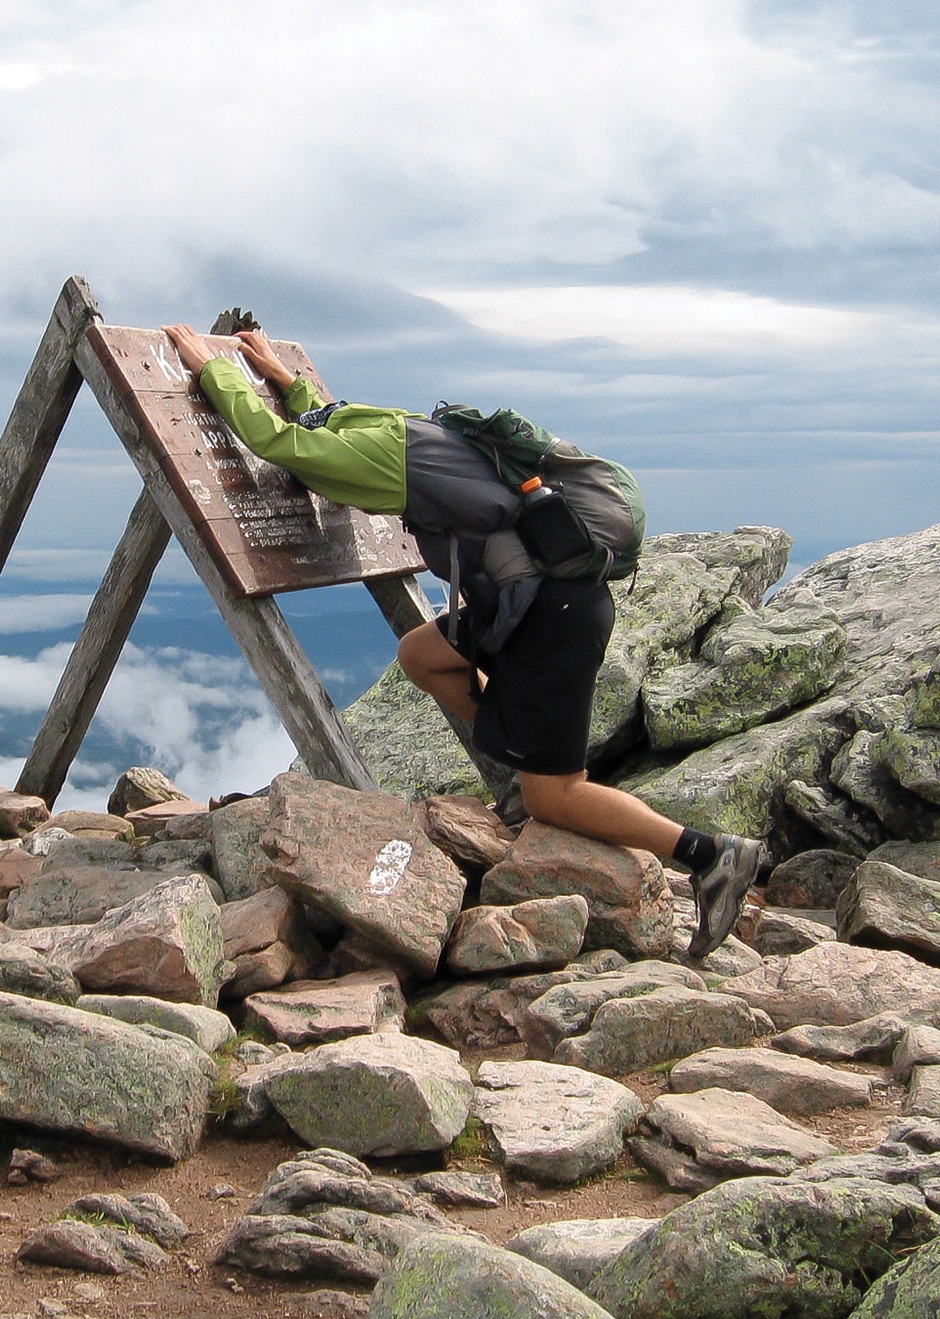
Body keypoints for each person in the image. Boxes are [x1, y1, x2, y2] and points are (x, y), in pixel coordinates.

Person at [162, 322, 763, 957]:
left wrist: (210, 370)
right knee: (422, 656)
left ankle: (710, 855)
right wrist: (286, 381)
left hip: (551, 616)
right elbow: (327, 423)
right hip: (526, 603)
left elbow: (280, 444)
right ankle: (514, 774)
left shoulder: (387, 465)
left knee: (558, 792)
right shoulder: (403, 432)